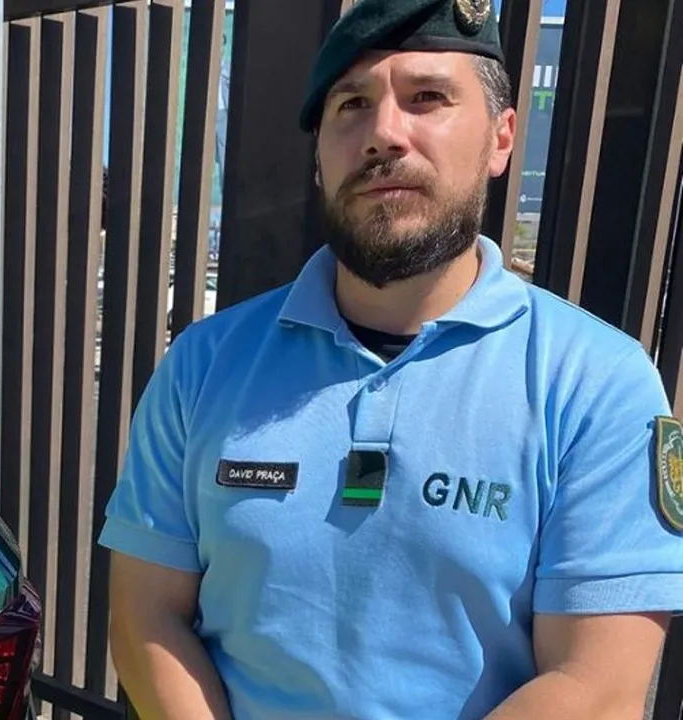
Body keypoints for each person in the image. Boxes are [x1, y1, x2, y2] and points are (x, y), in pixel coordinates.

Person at [96, 0, 683, 717]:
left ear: (501, 138)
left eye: (427, 97)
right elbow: (146, 617)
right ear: (319, 158)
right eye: (352, 104)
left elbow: (595, 687)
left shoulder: (597, 384)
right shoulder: (203, 365)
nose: (382, 133)